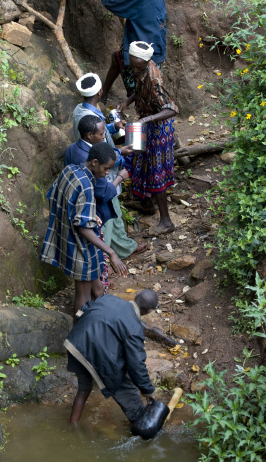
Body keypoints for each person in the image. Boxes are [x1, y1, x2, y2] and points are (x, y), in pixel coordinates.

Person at [40, 141, 127, 314]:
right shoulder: (87, 186)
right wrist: (111, 253)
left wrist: (87, 212)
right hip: (81, 248)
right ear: (95, 162)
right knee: (84, 296)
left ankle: (99, 322)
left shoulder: (70, 170)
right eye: (106, 168)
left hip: (66, 239)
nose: (107, 173)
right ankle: (79, 333)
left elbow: (53, 196)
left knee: (98, 290)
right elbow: (84, 229)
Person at [72, 73, 148, 259]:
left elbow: (97, 133)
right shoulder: (91, 119)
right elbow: (98, 150)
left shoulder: (81, 111)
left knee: (114, 210)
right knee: (107, 212)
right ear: (100, 91)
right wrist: (121, 154)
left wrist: (112, 127)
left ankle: (124, 247)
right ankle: (107, 258)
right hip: (102, 173)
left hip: (99, 167)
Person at [89, 0, 167, 101]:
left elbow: (111, 0)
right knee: (116, 58)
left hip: (145, 50)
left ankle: (134, 115)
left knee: (140, 92)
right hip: (152, 41)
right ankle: (105, 94)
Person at [64, 289, 159, 425]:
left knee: (84, 388)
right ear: (149, 311)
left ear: (136, 296)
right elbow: (136, 364)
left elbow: (84, 309)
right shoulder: (135, 328)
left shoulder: (107, 298)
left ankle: (73, 425)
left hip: (74, 344)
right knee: (121, 379)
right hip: (91, 352)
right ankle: (141, 423)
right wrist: (148, 391)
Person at [118, 41, 178, 235]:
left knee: (155, 170)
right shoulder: (141, 70)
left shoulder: (155, 79)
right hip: (148, 123)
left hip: (159, 128)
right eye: (132, 65)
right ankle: (145, 202)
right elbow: (139, 90)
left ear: (146, 61)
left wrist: (147, 119)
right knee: (139, 159)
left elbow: (171, 109)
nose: (134, 69)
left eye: (137, 66)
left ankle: (166, 221)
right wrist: (127, 101)